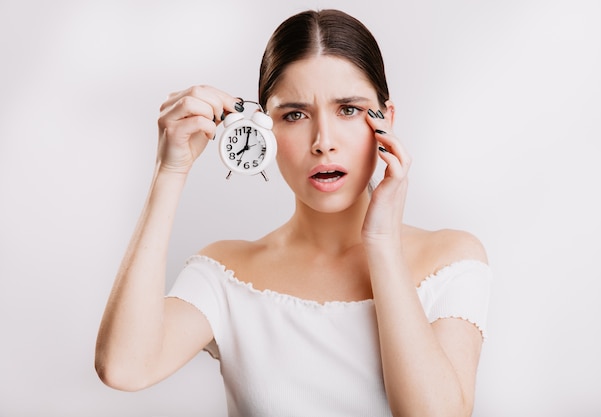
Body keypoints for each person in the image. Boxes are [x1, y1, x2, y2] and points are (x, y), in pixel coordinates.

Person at [95, 9, 492, 417]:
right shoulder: (225, 272)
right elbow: (124, 368)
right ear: (263, 130)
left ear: (386, 120)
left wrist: (383, 244)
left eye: (349, 109)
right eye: (295, 115)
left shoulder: (451, 259)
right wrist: (171, 170)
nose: (323, 142)